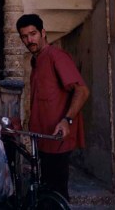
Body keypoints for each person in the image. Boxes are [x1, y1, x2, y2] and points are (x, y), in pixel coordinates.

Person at [16, 13, 90, 200]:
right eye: (24, 36)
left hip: (57, 139)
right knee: (45, 192)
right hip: (42, 139)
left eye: (33, 34)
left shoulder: (56, 56)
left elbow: (82, 91)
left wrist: (67, 120)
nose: (29, 40)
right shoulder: (36, 60)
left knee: (56, 195)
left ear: (43, 32)